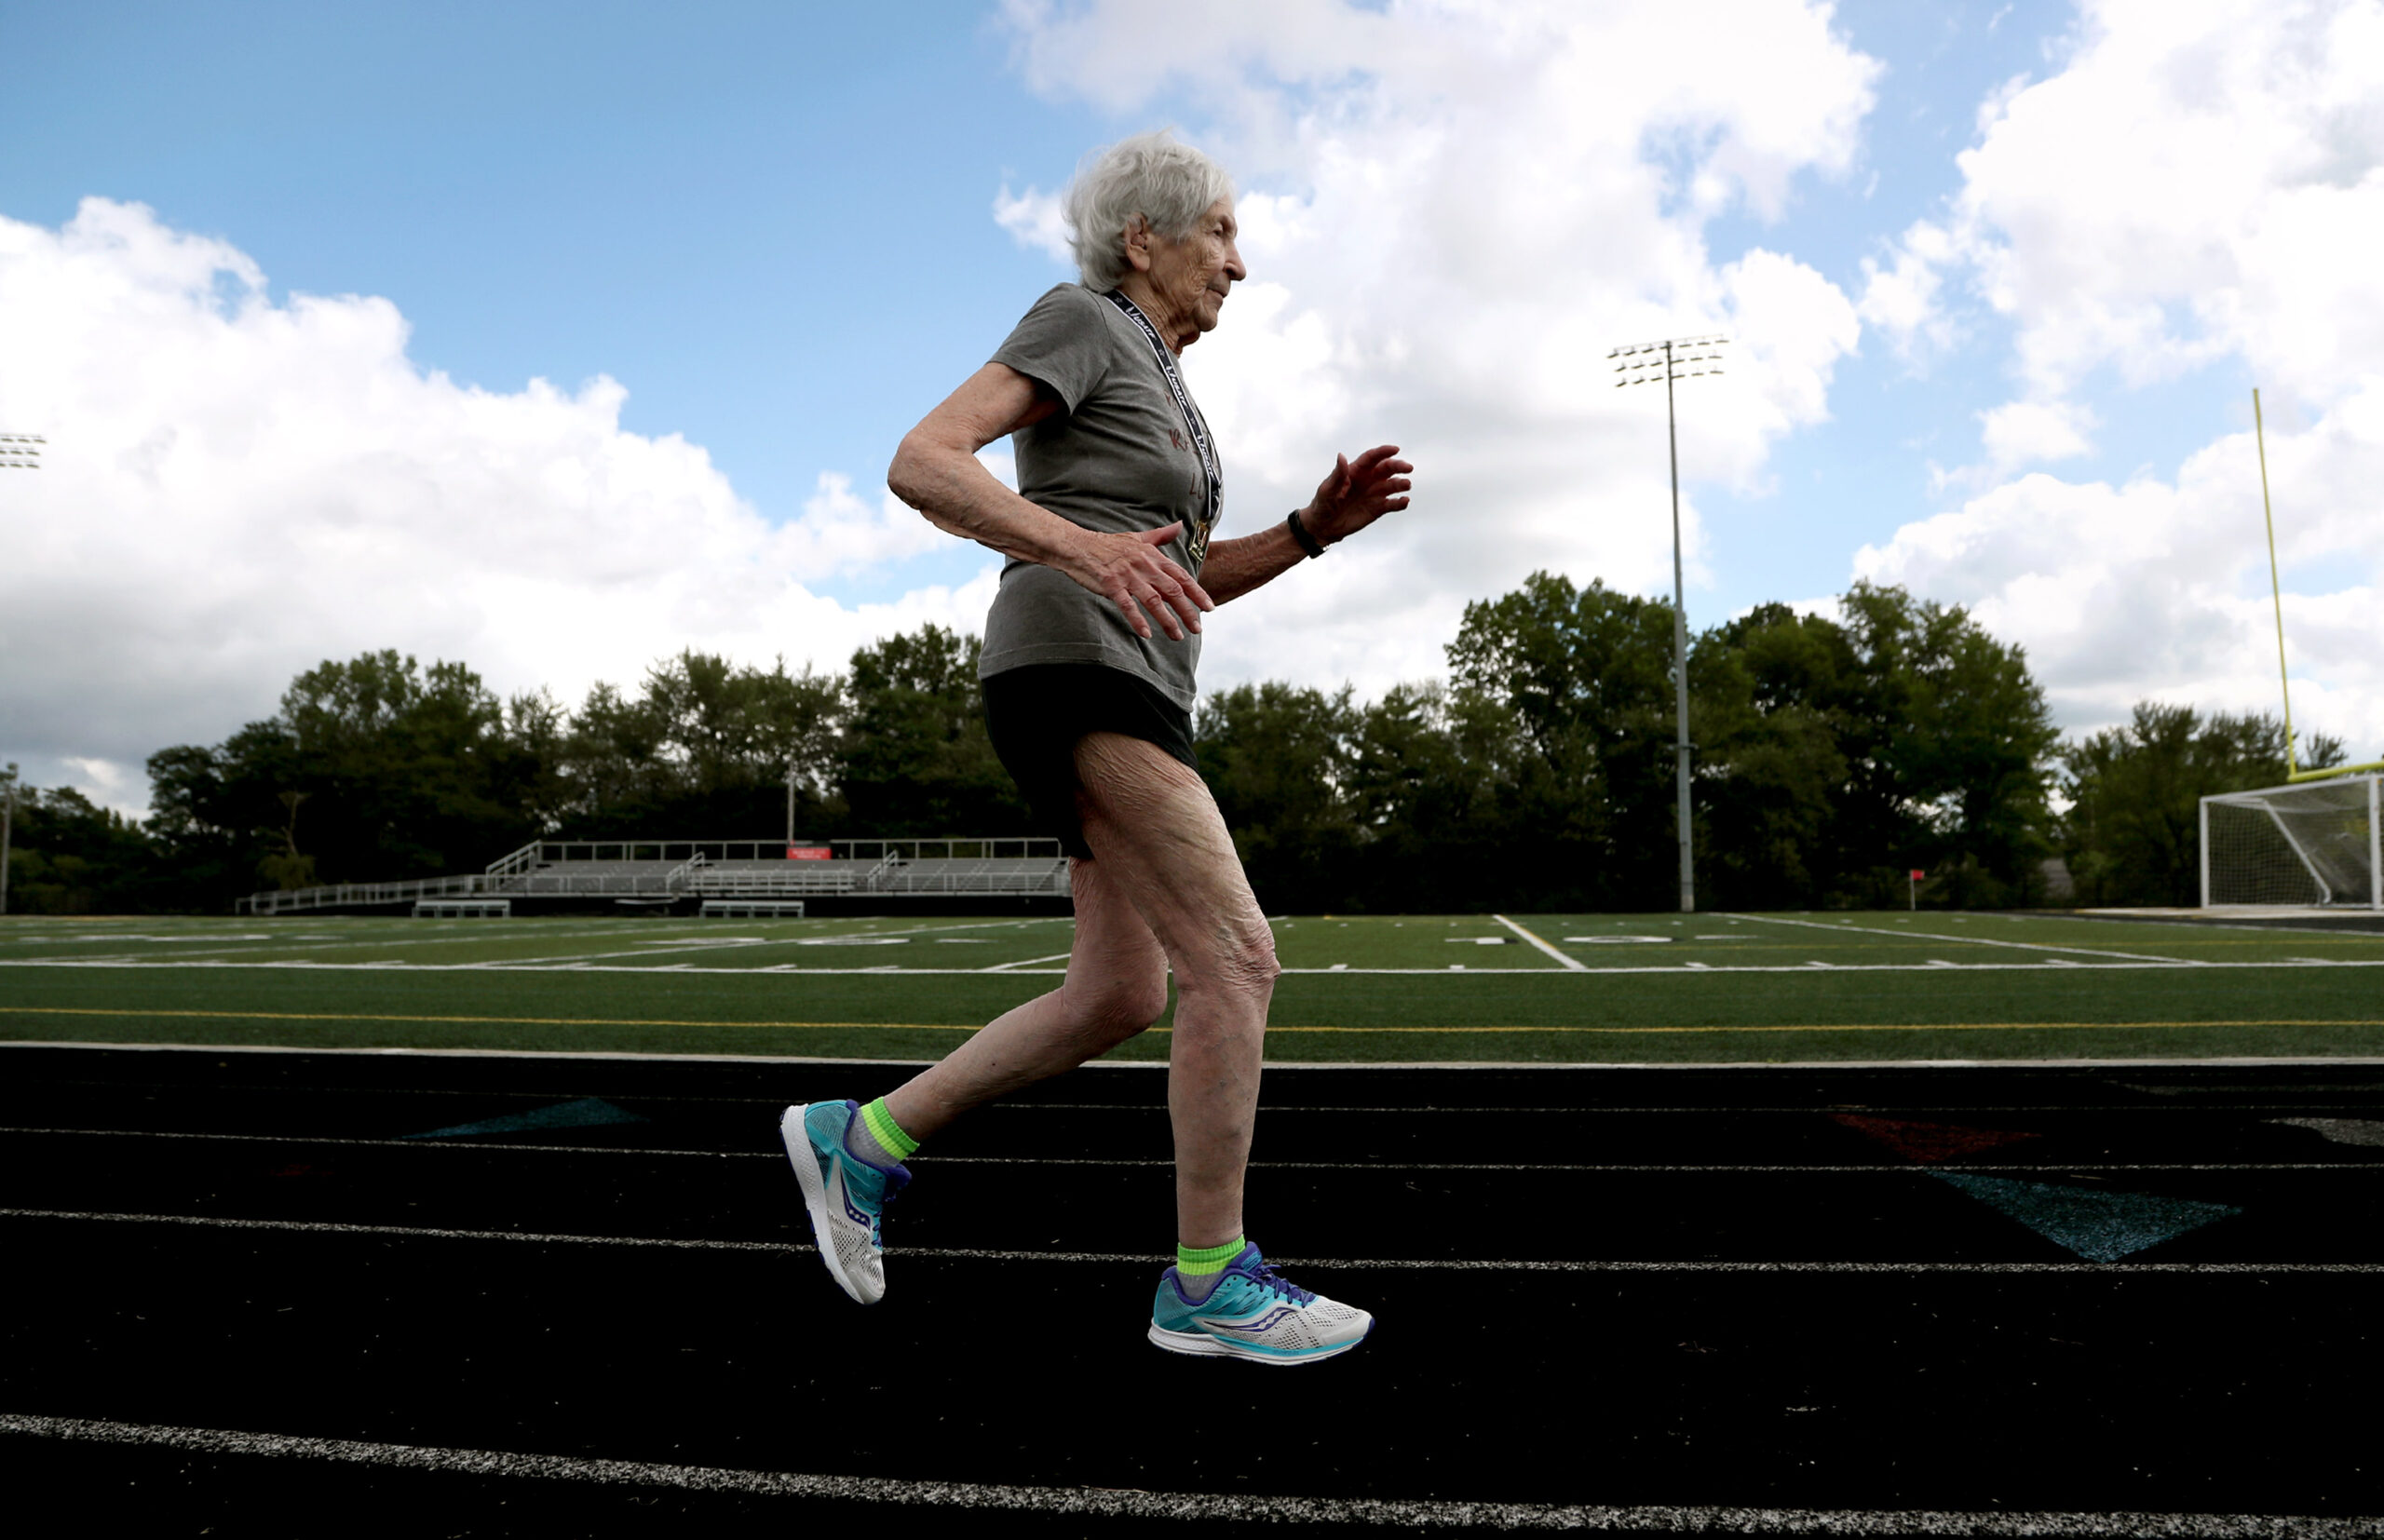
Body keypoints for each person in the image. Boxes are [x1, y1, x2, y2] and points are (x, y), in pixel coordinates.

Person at [780, 129, 1412, 1366]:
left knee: (1122, 989)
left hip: (1134, 672)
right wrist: (1079, 548)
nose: (1241, 261)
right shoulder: (1081, 316)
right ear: (1145, 240)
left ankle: (863, 1142)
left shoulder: (1164, 379)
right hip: (1078, 668)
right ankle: (1209, 1277)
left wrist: (1307, 530)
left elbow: (1176, 576)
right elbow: (923, 460)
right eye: (1221, 232)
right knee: (1235, 957)